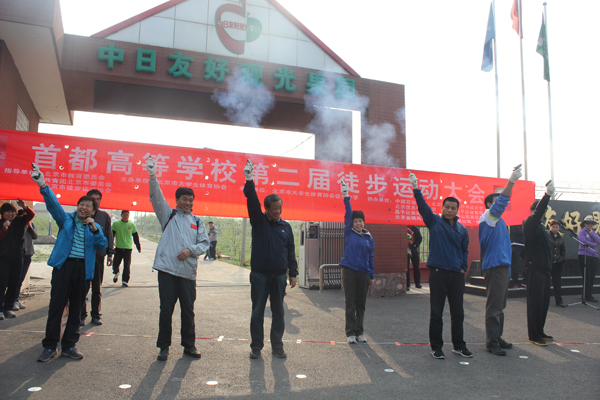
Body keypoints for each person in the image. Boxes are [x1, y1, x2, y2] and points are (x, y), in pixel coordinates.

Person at [31, 164, 107, 361]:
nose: (84, 207)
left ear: (93, 211)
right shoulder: (66, 220)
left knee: (76, 309)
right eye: (81, 204)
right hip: (64, 268)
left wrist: (94, 229)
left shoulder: (95, 227)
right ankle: (50, 346)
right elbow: (53, 205)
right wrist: (43, 185)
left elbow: (102, 245)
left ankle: (69, 346)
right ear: (77, 207)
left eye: (88, 206)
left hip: (83, 271)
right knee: (56, 306)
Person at [146, 155, 210, 361]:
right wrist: (153, 176)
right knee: (166, 310)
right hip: (167, 271)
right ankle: (163, 347)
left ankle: (189, 345)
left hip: (187, 273)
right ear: (177, 200)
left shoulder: (197, 222)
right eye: (184, 199)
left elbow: (205, 244)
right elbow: (156, 196)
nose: (188, 203)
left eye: (191, 200)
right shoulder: (168, 215)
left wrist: (191, 250)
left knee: (188, 311)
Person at [409, 172, 472, 360]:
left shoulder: (462, 229)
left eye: (453, 208)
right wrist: (416, 188)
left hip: (456, 275)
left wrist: (463, 266)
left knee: (458, 312)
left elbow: (465, 249)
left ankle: (459, 345)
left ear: (457, 210)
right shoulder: (434, 221)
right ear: (442, 208)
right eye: (447, 207)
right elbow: (423, 208)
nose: (450, 210)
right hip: (438, 274)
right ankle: (436, 347)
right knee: (436, 312)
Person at [243, 160, 298, 359]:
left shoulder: (286, 227)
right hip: (260, 275)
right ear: (266, 208)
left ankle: (277, 346)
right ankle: (256, 347)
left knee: (279, 313)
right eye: (274, 208)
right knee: (257, 312)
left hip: (279, 277)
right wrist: (249, 180)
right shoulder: (259, 222)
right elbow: (252, 201)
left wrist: (293, 273)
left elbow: (291, 251)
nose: (278, 211)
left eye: (280, 207)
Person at [478, 165, 522, 356]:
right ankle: (492, 342)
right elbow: (503, 201)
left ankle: (497, 337)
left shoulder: (499, 221)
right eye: (496, 200)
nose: (502, 201)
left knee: (500, 305)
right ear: (490, 204)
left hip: (502, 266)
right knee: (494, 306)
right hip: (495, 266)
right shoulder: (489, 216)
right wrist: (511, 181)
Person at [339, 180, 374, 344]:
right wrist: (346, 196)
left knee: (361, 304)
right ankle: (350, 333)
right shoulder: (349, 232)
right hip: (349, 271)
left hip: (364, 273)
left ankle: (360, 332)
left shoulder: (368, 237)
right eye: (356, 221)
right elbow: (348, 213)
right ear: (352, 223)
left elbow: (371, 257)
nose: (359, 223)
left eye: (361, 221)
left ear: (364, 222)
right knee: (350, 303)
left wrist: (371, 275)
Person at [522, 180, 555, 346]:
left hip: (544, 270)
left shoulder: (542, 227)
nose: (542, 214)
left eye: (543, 212)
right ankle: (533, 335)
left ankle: (540, 330)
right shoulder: (529, 224)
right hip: (534, 269)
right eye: (540, 211)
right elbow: (537, 213)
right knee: (535, 303)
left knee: (543, 303)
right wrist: (547, 195)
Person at [80, 189, 114, 326]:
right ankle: (81, 315)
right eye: (92, 198)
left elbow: (109, 235)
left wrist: (110, 253)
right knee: (82, 288)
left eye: (98, 199)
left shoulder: (104, 216)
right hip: (82, 258)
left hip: (98, 257)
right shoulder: (80, 216)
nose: (95, 201)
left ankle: (96, 315)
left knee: (96, 289)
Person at [0, 200, 34, 320]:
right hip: (3, 259)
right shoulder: (1, 224)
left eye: (12, 212)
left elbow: (31, 215)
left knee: (14, 283)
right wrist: (4, 228)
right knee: (2, 283)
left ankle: (8, 308)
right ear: (2, 213)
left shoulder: (19, 221)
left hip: (18, 258)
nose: (11, 214)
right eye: (8, 212)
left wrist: (24, 206)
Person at [12, 212, 38, 310]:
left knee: (21, 279)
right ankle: (12, 300)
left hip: (28, 254)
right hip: (19, 255)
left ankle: (16, 299)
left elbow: (35, 236)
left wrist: (29, 226)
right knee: (16, 279)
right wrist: (24, 225)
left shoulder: (30, 226)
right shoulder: (18, 226)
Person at [112, 210, 141, 287]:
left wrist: (138, 246)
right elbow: (112, 235)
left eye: (127, 215)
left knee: (127, 265)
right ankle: (116, 272)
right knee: (115, 264)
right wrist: (110, 244)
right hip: (118, 248)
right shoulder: (116, 224)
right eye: (124, 214)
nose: (126, 216)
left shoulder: (131, 225)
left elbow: (135, 236)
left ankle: (125, 281)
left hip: (128, 248)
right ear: (121, 215)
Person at [577, 216, 600, 303]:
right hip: (584, 254)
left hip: (594, 255)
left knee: (592, 276)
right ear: (584, 224)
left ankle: (587, 294)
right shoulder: (581, 232)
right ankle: (587, 295)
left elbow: (599, 240)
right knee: (587, 276)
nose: (589, 225)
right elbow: (584, 241)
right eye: (588, 223)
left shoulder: (594, 232)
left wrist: (591, 233)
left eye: (591, 224)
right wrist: (594, 244)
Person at [548, 220, 566, 307]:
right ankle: (544, 300)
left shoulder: (561, 237)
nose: (555, 228)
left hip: (558, 262)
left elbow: (563, 249)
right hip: (548, 262)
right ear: (550, 227)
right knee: (546, 283)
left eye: (557, 227)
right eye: (553, 227)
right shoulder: (546, 236)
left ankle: (559, 301)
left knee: (557, 283)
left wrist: (563, 259)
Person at [509, 224, 525, 288]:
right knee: (515, 265)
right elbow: (517, 231)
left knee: (527, 263)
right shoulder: (514, 222)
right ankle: (515, 282)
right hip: (515, 245)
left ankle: (525, 281)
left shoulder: (523, 222)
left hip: (523, 244)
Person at [407, 225, 423, 289]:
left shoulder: (415, 228)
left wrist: (416, 245)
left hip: (414, 250)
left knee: (416, 267)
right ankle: (407, 284)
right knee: (406, 267)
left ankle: (417, 283)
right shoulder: (404, 227)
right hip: (406, 250)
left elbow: (420, 238)